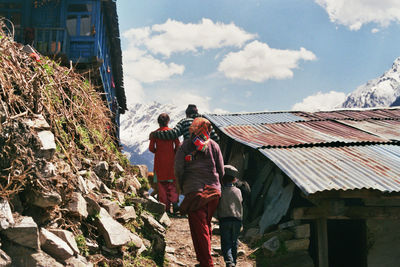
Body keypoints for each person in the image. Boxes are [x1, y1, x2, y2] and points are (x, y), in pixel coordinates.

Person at [174, 117, 224, 267]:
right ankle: (205, 259)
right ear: (208, 130)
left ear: (193, 129)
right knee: (205, 225)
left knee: (199, 228)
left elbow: (178, 169)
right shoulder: (214, 146)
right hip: (213, 192)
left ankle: (206, 262)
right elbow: (221, 170)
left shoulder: (185, 146)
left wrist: (181, 186)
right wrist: (217, 184)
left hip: (194, 192)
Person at [149, 113, 180, 214]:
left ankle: (165, 209)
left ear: (158, 122)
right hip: (171, 163)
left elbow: (151, 148)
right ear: (168, 121)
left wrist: (158, 152)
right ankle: (175, 204)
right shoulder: (172, 133)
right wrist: (173, 153)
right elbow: (178, 145)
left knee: (162, 187)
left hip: (159, 164)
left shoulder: (154, 134)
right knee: (172, 185)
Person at [216, 165, 243, 267]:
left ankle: (229, 262)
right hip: (237, 219)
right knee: (234, 242)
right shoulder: (238, 191)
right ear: (234, 179)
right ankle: (234, 262)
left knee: (226, 243)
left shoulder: (220, 191)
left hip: (224, 219)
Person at [150, 104, 219, 142]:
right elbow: (216, 138)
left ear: (187, 114)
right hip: (205, 157)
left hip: (190, 156)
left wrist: (155, 134)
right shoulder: (205, 122)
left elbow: (173, 134)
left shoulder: (185, 121)